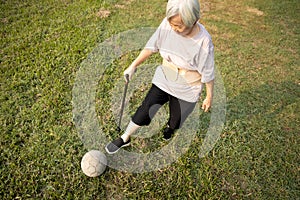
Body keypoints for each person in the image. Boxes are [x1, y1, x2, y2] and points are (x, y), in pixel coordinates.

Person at [105, 0, 215, 154]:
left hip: (188, 87)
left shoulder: (203, 41)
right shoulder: (168, 24)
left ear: (194, 21)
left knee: (176, 120)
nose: (174, 28)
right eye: (172, 24)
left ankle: (170, 128)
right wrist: (133, 65)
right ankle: (125, 137)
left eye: (179, 26)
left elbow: (208, 72)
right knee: (145, 108)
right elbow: (152, 46)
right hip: (165, 77)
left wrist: (209, 96)